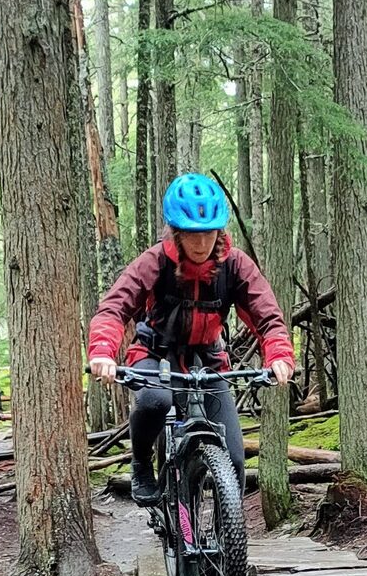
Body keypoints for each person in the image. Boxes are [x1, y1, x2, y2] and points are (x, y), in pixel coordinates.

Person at [88, 173, 295, 505]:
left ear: (220, 230)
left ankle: (228, 546)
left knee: (236, 461)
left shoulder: (235, 265)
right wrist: (102, 350)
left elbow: (266, 314)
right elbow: (114, 307)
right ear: (176, 232)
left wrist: (280, 354)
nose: (202, 244)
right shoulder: (155, 261)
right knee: (156, 400)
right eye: (192, 235)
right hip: (154, 352)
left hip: (208, 359)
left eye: (209, 233)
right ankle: (141, 463)